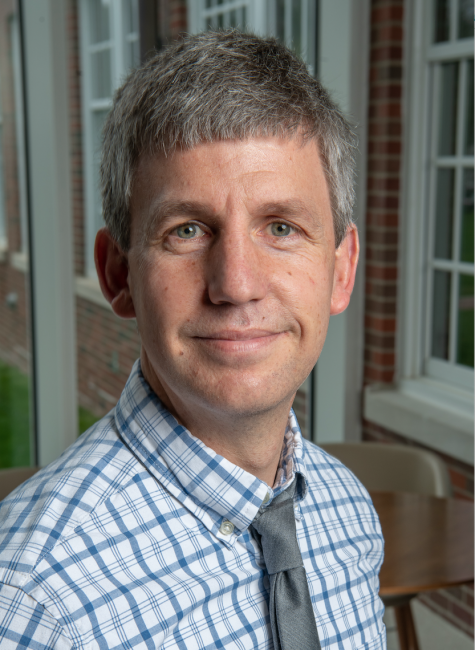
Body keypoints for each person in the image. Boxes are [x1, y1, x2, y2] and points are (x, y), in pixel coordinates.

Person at [0, 31, 385, 649]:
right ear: (119, 274)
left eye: (281, 227)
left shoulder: (348, 514)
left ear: (341, 271)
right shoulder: (33, 598)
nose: (235, 284)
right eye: (187, 230)